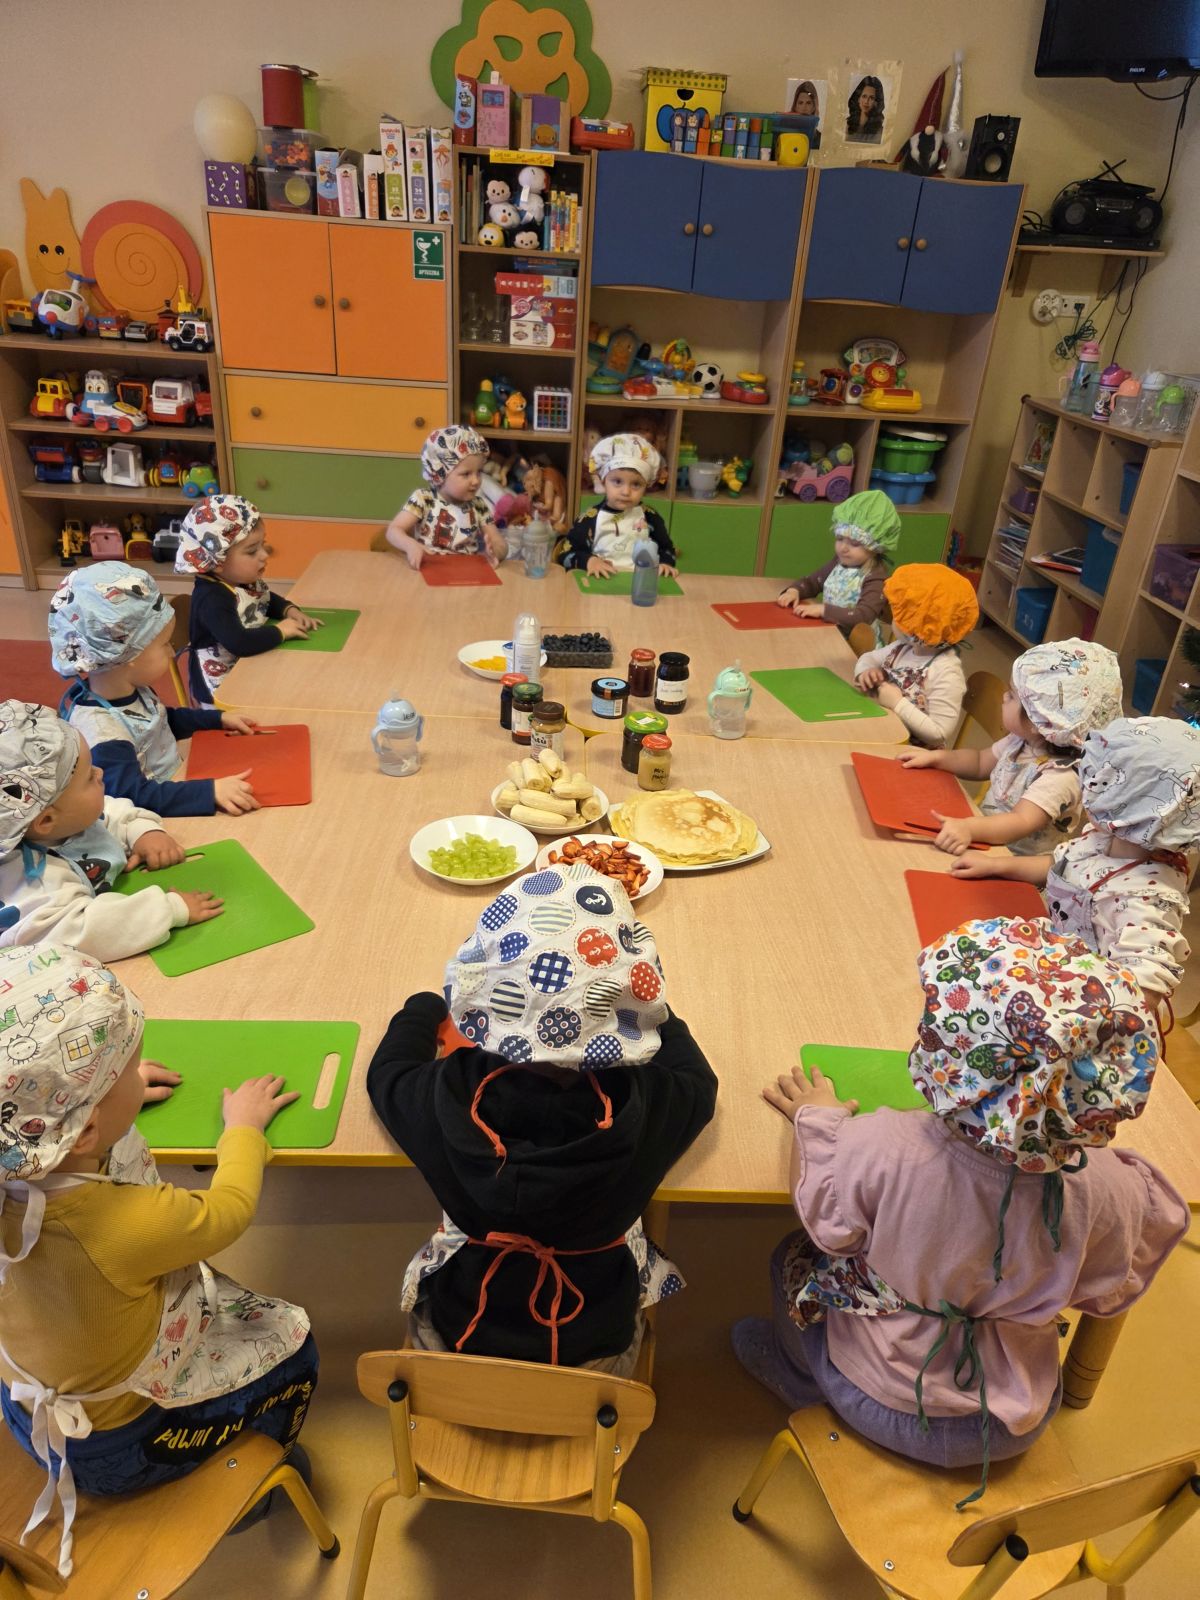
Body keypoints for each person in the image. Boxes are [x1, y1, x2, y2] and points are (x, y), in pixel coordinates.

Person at [733, 917, 1187, 1502]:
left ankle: (798, 1380)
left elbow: (824, 1219)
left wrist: (814, 1115)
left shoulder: (881, 1148)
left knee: (790, 1259)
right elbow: (1111, 1288)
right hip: (1013, 1422)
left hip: (876, 1400)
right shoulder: (1108, 1190)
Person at [0, 944, 315, 1580]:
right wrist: (243, 1131)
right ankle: (253, 1488)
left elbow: (72, 1139)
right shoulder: (124, 1223)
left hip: (26, 1412)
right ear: (84, 1130)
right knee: (294, 1346)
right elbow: (228, 1210)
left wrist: (107, 1104)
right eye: (126, 1072)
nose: (137, 1073)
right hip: (120, 1446)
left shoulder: (25, 1163)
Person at [366, 865, 717, 1372]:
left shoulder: (444, 1095)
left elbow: (388, 1073)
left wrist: (422, 1009)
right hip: (596, 1364)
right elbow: (698, 1081)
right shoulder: (647, 1106)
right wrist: (650, 1010)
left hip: (457, 1344)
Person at [951, 716, 1199, 1011]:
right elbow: (1060, 866)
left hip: (1073, 1007)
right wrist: (996, 866)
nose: (1086, 786)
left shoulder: (1147, 898)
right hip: (1048, 963)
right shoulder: (1103, 839)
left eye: (1100, 783)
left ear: (1128, 806)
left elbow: (1144, 994)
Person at [0, 700, 222, 961]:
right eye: (88, 777)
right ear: (46, 820)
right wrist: (169, 909)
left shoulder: (63, 819)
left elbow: (111, 812)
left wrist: (143, 831)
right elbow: (83, 933)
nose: (100, 772)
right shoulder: (34, 883)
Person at [48, 561, 261, 818]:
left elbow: (161, 721)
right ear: (128, 654)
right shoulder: (104, 734)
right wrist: (209, 792)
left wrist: (217, 719)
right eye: (164, 644)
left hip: (176, 785)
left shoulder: (131, 690)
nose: (172, 652)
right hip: (151, 818)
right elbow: (134, 797)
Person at [899, 638, 1122, 856]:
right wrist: (939, 759)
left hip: (1010, 861)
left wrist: (969, 828)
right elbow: (979, 762)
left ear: (1040, 721)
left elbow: (1020, 821)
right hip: (983, 837)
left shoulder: (1061, 776)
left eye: (1013, 696)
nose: (1004, 697)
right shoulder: (1023, 740)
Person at [177, 495, 322, 706]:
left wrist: (290, 610)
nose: (264, 555)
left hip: (247, 665)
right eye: (252, 551)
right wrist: (280, 631)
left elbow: (265, 599)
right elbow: (240, 642)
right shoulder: (211, 598)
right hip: (220, 689)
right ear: (217, 561)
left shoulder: (240, 579)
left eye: (263, 545)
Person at [852, 563, 978, 747]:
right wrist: (866, 671)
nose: (894, 619)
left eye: (901, 615)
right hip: (882, 732)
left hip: (913, 753)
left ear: (916, 629)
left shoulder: (947, 673)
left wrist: (898, 703)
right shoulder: (903, 647)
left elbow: (939, 733)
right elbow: (868, 658)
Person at [776, 488, 899, 647]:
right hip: (830, 634)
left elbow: (864, 615)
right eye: (840, 538)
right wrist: (794, 591)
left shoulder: (875, 577)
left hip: (858, 647)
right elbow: (813, 582)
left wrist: (824, 610)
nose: (843, 548)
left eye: (854, 543)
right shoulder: (839, 562)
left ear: (875, 547)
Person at [386, 426, 508, 571]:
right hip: (427, 570)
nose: (476, 481)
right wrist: (410, 545)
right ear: (440, 475)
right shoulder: (423, 499)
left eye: (479, 472)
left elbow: (499, 542)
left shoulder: (478, 506)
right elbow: (393, 530)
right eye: (466, 474)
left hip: (466, 573)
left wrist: (495, 552)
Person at [558, 434, 678, 577]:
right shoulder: (589, 519)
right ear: (603, 481)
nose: (626, 492)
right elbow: (565, 555)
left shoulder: (650, 517)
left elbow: (667, 550)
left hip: (640, 585)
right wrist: (589, 561)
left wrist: (665, 563)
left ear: (646, 485)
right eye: (617, 482)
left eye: (636, 484)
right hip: (600, 584)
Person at [846, 74, 885, 142]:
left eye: (871, 98)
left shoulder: (880, 132)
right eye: (864, 96)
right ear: (858, 99)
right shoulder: (847, 125)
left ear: (876, 103)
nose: (866, 101)